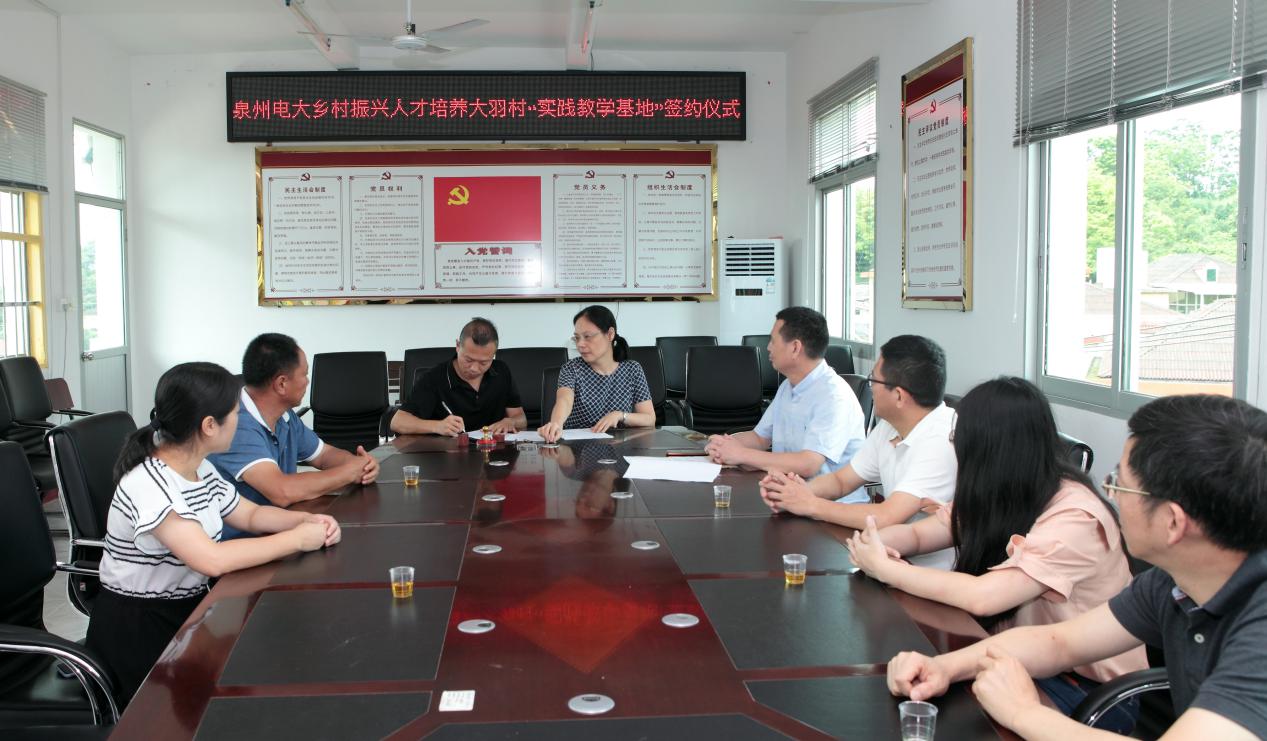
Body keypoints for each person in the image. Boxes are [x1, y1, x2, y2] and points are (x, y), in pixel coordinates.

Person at [887, 394, 1267, 740]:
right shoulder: (1171, 583)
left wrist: (1024, 713)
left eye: (1120, 485)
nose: (1110, 496)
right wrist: (944, 668)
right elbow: (1060, 642)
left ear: (1173, 522)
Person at [847, 377, 1146, 730]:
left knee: (947, 718)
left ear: (988, 449)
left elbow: (985, 597)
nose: (955, 449)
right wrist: (876, 542)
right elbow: (919, 533)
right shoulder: (1002, 490)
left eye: (959, 440)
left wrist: (887, 569)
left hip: (1084, 686)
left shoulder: (1076, 516)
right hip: (1017, 653)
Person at [85, 362, 341, 702]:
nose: (240, 421)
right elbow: (211, 559)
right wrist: (296, 540)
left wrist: (306, 521)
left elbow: (250, 514)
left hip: (187, 609)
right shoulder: (151, 484)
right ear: (209, 425)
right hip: (139, 629)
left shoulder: (199, 468)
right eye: (235, 414)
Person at [760, 334, 958, 568]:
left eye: (874, 380)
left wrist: (810, 504)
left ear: (899, 396)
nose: (870, 387)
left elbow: (887, 516)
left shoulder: (941, 439)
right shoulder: (890, 426)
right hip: (881, 555)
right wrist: (792, 493)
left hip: (926, 571)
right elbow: (842, 481)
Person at [208, 333, 378, 539]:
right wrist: (349, 473)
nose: (308, 381)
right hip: (241, 544)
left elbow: (323, 455)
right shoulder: (236, 424)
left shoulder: (285, 415)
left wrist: (360, 465)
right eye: (304, 374)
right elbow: (282, 491)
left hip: (280, 528)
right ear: (281, 384)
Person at [704, 307, 866, 498]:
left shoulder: (833, 396)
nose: (768, 347)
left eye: (773, 341)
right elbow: (759, 438)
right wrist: (723, 445)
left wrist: (740, 454)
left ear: (795, 347)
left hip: (831, 507)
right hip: (789, 497)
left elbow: (808, 464)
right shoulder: (788, 386)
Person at [389, 317, 527, 436]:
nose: (474, 368)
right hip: (447, 453)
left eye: (484, 362)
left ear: (493, 355)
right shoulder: (434, 378)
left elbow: (521, 419)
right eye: (468, 360)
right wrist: (437, 426)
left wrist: (511, 421)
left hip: (493, 452)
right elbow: (398, 422)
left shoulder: (501, 372)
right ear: (457, 346)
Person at [538, 305, 655, 442]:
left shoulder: (632, 369)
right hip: (578, 448)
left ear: (610, 334)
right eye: (577, 338)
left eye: (587, 337)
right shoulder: (571, 368)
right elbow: (564, 400)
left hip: (619, 446)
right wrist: (556, 423)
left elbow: (649, 419)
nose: (580, 344)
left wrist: (620, 415)